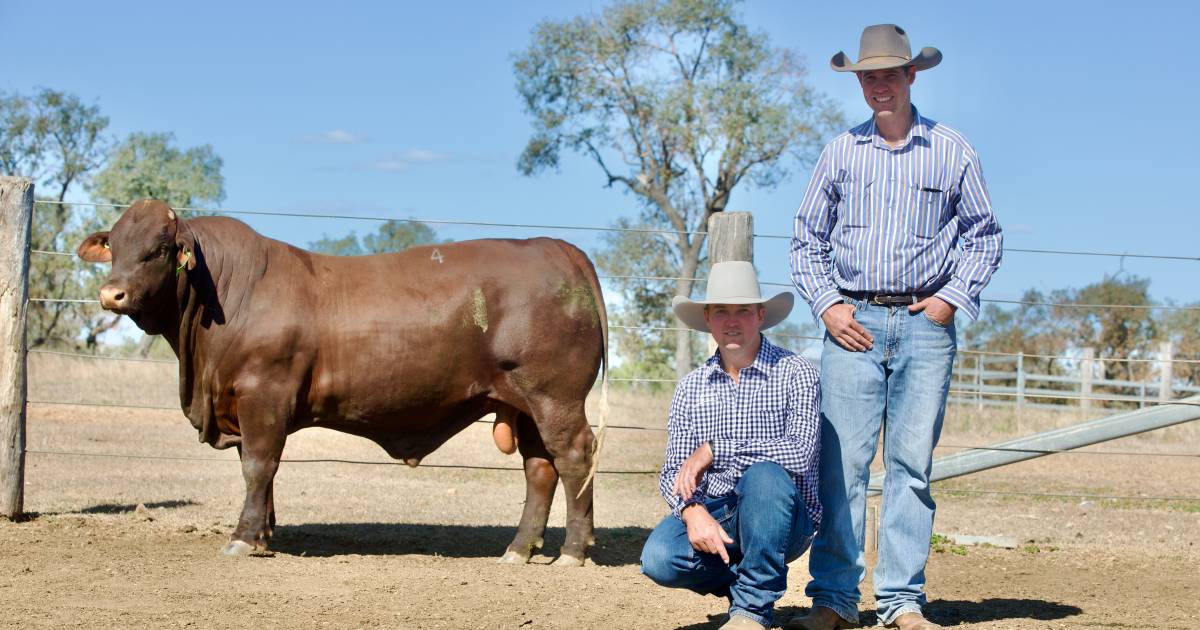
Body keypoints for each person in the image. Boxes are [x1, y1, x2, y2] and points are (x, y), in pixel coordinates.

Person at [788, 24, 1003, 630]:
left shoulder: (953, 149)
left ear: (912, 76)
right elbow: (806, 241)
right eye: (868, 76)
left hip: (924, 324)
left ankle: (902, 602)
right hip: (851, 322)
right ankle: (833, 601)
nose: (878, 85)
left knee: (912, 465)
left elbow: (983, 236)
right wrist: (829, 306)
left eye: (889, 74)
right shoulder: (839, 153)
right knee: (842, 465)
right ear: (859, 84)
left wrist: (950, 299)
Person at [640, 260, 822, 630]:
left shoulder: (796, 373)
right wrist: (691, 511)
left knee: (765, 477)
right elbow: (675, 469)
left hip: (783, 516)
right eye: (721, 311)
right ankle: (742, 583)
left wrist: (717, 449)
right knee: (659, 557)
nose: (732, 320)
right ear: (707, 318)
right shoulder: (691, 388)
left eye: (743, 310)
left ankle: (753, 610)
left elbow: (801, 452)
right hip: (720, 512)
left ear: (760, 315)